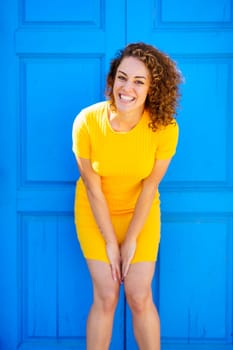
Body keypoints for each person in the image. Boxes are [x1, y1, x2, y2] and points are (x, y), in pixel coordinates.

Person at [72, 42, 182, 350]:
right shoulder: (87, 123)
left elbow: (150, 187)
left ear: (151, 89)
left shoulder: (164, 128)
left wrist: (131, 239)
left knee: (138, 294)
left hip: (140, 213)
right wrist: (110, 242)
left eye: (138, 81)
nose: (127, 88)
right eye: (122, 77)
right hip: (95, 213)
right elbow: (92, 189)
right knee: (107, 294)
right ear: (112, 80)